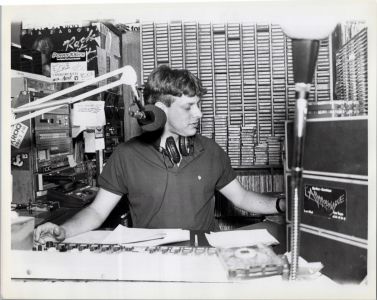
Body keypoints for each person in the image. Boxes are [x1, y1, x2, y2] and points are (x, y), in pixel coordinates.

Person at [34, 65, 286, 244]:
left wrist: (280, 204)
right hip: (151, 257)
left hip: (206, 254)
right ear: (160, 110)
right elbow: (97, 212)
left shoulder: (211, 151)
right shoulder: (126, 156)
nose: (198, 113)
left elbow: (241, 198)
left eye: (199, 105)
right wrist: (63, 231)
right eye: (189, 106)